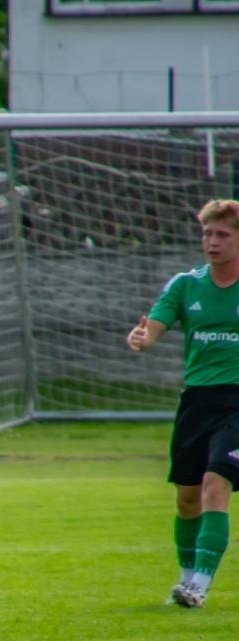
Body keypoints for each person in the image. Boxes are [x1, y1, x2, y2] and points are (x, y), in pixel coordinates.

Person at [126, 198, 239, 610]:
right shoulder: (185, 285)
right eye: (207, 233)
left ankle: (199, 585)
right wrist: (142, 338)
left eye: (223, 234)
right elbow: (153, 326)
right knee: (187, 497)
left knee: (215, 484)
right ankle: (186, 578)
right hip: (197, 401)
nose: (212, 241)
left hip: (237, 401)